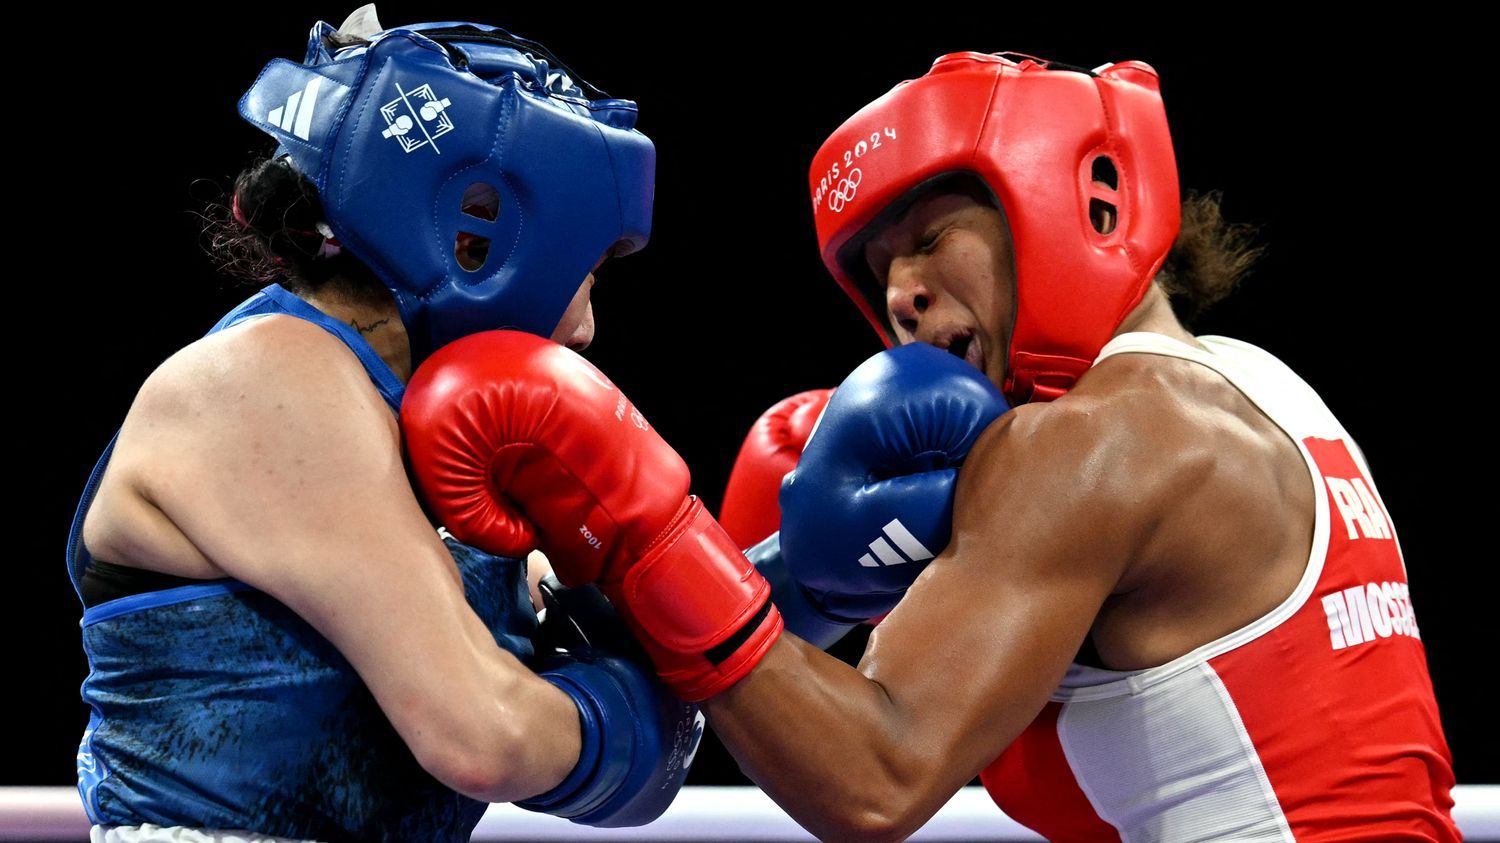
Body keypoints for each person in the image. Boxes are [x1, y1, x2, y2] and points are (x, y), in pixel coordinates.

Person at [404, 51, 1459, 841]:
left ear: (1066, 200)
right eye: (878, 269)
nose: (901, 294)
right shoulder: (1259, 385)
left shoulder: (1097, 444)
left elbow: (876, 778)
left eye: (930, 238)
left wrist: (649, 539)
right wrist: (791, 585)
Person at [65, 6, 699, 841]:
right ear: (478, 237)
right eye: (585, 270)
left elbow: (649, 646)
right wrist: (633, 724)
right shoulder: (266, 381)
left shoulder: (435, 442)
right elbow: (486, 734)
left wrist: (807, 580)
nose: (583, 327)